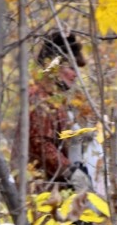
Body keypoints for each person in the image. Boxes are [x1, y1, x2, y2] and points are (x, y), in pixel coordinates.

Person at [12, 31, 92, 191]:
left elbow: (59, 142)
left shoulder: (57, 100)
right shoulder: (38, 97)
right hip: (38, 192)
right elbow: (40, 144)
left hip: (56, 190)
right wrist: (70, 172)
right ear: (54, 67)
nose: (76, 75)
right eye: (71, 67)